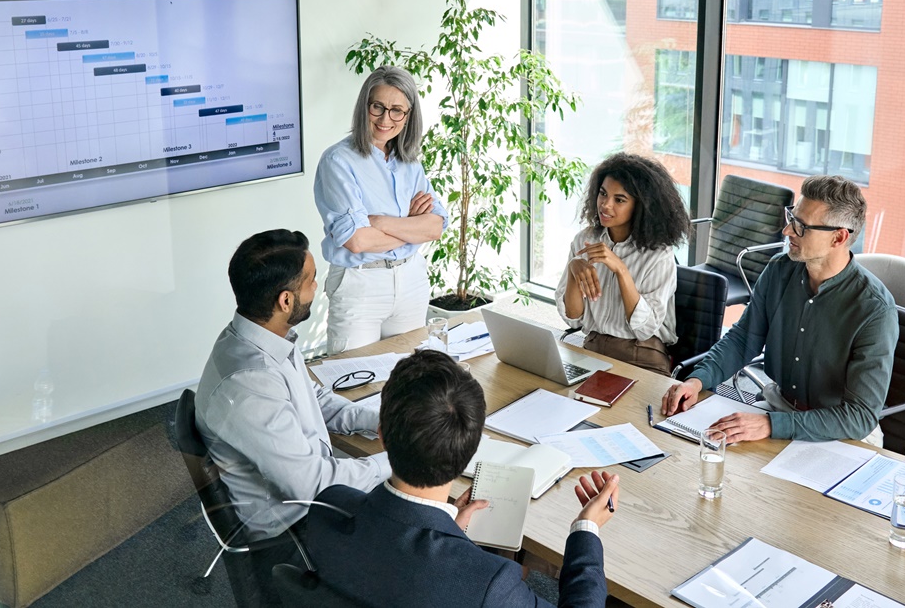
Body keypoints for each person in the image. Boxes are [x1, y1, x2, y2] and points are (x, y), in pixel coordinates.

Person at [302, 350, 617, 607]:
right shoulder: (488, 583)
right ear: (472, 450)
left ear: (382, 436)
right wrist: (586, 529)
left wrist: (451, 530)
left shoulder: (327, 507)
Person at [194, 230, 390, 583]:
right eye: (312, 281)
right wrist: (400, 459)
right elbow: (313, 486)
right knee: (422, 525)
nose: (318, 288)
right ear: (286, 301)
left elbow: (315, 399)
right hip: (292, 533)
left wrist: (388, 421)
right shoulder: (250, 382)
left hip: (307, 491)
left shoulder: (264, 338)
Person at [662, 175, 899, 445]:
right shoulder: (778, 269)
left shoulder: (875, 310)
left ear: (839, 237)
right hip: (777, 406)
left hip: (841, 432)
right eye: (791, 218)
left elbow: (859, 417)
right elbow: (742, 340)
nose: (787, 231)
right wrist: (697, 381)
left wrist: (770, 424)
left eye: (801, 227)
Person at [314, 65, 448, 355]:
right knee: (354, 382)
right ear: (365, 106)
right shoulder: (338, 161)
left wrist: (380, 222)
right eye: (378, 107)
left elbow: (435, 226)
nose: (386, 118)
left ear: (409, 116)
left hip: (411, 280)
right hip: (360, 283)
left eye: (397, 110)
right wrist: (412, 227)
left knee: (411, 382)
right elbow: (357, 240)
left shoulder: (410, 162)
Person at [555, 153, 690, 375]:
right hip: (593, 347)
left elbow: (646, 329)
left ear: (641, 206)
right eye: (603, 194)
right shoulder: (584, 240)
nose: (605, 205)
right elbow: (574, 318)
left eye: (619, 200)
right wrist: (573, 271)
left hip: (642, 356)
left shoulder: (658, 255)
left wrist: (621, 270)